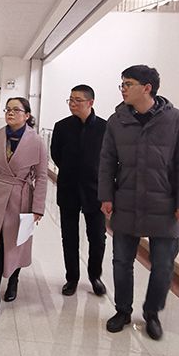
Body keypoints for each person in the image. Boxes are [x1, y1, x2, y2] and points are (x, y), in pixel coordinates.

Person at [99, 65, 179, 340]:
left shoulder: (175, 119)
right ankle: (122, 310)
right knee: (121, 261)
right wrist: (106, 195)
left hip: (164, 204)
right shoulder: (117, 121)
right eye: (122, 84)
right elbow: (106, 161)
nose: (123, 89)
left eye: (128, 84)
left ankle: (152, 313)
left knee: (163, 265)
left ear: (147, 88)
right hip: (126, 201)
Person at [0, 97, 48, 321]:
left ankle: (13, 279)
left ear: (27, 115)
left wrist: (38, 207)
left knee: (16, 243)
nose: (11, 113)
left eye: (16, 110)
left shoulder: (37, 142)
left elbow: (42, 177)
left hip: (22, 197)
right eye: (8, 109)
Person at [51, 84, 107, 297]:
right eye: (70, 100)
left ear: (90, 102)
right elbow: (56, 154)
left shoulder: (105, 128)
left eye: (77, 100)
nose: (72, 104)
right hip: (69, 188)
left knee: (97, 237)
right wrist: (71, 170)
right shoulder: (62, 127)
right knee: (69, 236)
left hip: (95, 191)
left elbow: (111, 159)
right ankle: (72, 278)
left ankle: (95, 276)